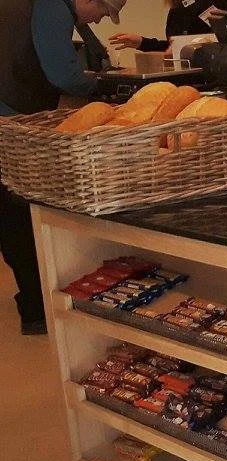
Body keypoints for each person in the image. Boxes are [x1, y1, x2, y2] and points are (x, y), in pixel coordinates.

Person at [0, 0, 127, 335]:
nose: (101, 19)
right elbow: (61, 73)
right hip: (8, 115)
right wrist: (104, 87)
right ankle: (37, 307)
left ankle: (32, 306)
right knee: (21, 211)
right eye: (103, 11)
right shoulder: (52, 4)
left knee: (9, 214)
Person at [110, 1, 227, 53]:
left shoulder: (213, 3)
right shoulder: (177, 9)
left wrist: (185, 51)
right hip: (187, 83)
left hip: (213, 86)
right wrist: (143, 42)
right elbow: (173, 47)